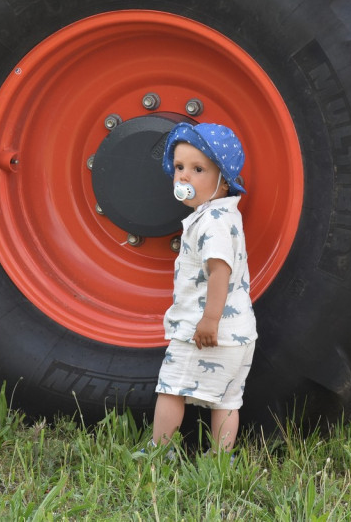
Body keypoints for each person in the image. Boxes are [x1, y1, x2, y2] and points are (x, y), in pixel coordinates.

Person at [149, 121, 256, 454]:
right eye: (179, 167)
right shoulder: (225, 215)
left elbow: (219, 271)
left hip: (206, 331)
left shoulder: (210, 222)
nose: (183, 176)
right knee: (225, 399)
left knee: (170, 389)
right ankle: (220, 460)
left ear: (223, 182)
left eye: (197, 169)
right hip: (239, 334)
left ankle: (158, 451)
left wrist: (209, 320)